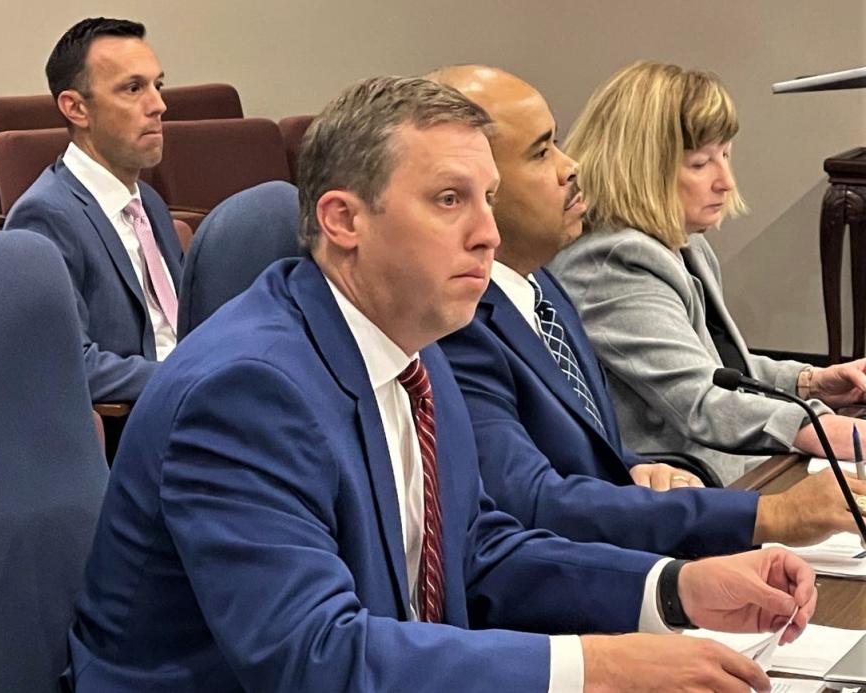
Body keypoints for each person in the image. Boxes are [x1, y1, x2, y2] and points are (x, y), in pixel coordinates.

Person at [66, 75, 814, 692]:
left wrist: (675, 588)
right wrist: (598, 665)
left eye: (488, 198)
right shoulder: (246, 392)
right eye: (450, 200)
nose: (487, 231)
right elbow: (314, 655)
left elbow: (478, 551)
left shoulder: (414, 344)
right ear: (343, 219)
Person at [433, 65, 866, 554]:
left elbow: (705, 376)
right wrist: (779, 494)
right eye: (701, 162)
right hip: (644, 525)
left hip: (660, 507)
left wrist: (805, 383)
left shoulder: (542, 285)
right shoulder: (603, 263)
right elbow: (533, 502)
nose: (571, 164)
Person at [550, 60, 866, 484]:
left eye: (726, 156)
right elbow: (698, 400)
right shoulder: (614, 262)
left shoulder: (682, 241)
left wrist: (811, 382)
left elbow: (716, 365)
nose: (726, 181)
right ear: (641, 167)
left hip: (735, 469)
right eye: (700, 164)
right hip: (686, 489)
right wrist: (823, 429)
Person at [5, 17, 182, 404]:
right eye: (134, 88)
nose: (159, 105)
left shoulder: (147, 200)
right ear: (76, 108)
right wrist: (187, 377)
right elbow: (70, 363)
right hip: (137, 427)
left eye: (158, 85)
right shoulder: (45, 215)